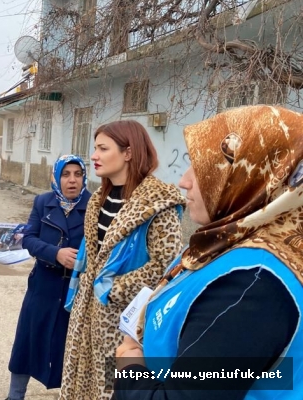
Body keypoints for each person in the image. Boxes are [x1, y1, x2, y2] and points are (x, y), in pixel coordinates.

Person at [114, 105, 303, 400]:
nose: (184, 181)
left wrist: (130, 367)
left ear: (251, 177)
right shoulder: (223, 244)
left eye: (202, 169)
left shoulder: (253, 287)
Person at [59, 120, 185, 399]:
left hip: (125, 321)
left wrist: (114, 289)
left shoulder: (158, 202)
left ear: (128, 153)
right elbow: (94, 255)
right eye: (95, 148)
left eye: (103, 148)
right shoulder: (98, 199)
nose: (94, 156)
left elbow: (167, 266)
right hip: (88, 312)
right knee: (84, 383)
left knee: (112, 388)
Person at [6, 155, 91, 400]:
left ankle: (69, 394)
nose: (72, 180)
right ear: (56, 177)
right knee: (27, 342)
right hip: (42, 286)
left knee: (70, 349)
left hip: (75, 291)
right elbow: (29, 238)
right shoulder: (43, 202)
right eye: (66, 174)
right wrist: (55, 253)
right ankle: (15, 395)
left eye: (78, 174)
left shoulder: (95, 205)